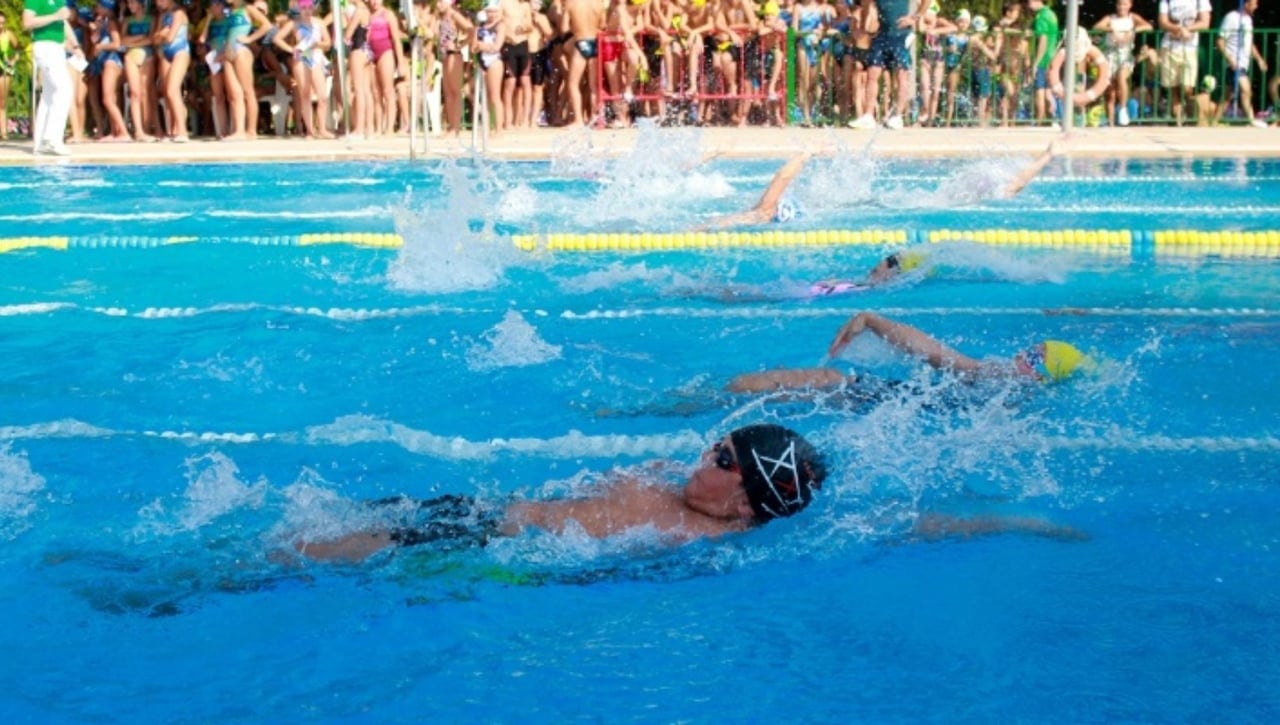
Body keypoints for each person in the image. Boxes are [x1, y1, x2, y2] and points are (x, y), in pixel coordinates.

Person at [293, 424, 829, 562]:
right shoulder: (686, 500)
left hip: (483, 542)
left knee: (302, 552)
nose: (705, 457)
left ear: (742, 503)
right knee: (326, 516)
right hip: (482, 512)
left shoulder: (690, 538)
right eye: (716, 445)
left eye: (722, 460)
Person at [706, 138, 1060, 231]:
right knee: (984, 195)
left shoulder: (762, 214)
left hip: (872, 208)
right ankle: (1044, 159)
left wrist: (807, 154)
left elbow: (780, 180)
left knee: (984, 195)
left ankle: (1044, 159)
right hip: (859, 209)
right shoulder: (760, 215)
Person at [726, 310, 1095, 393]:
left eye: (1033, 359)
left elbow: (935, 354)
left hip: (892, 403)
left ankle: (700, 401)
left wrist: (873, 321)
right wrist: (871, 320)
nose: (1019, 359)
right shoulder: (1009, 388)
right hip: (904, 403)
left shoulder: (1000, 381)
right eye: (1027, 351)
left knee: (818, 379)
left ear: (1044, 378)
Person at [23, 0, 75, 155]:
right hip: (45, 47)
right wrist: (54, 16)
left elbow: (64, 23)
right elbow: (27, 22)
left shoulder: (59, 0)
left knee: (50, 95)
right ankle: (52, 139)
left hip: (57, 48)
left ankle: (40, 142)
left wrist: (75, 45)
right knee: (64, 89)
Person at [1156, 0, 1210, 127]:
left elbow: (1205, 22)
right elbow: (1163, 21)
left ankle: (1188, 110)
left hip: (1190, 48)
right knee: (1172, 86)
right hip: (1169, 47)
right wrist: (1178, 29)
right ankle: (1179, 120)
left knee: (1187, 87)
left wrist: (1186, 29)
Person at [1216, 0, 1267, 128]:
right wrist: (1230, 60)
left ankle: (1214, 121)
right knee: (1246, 89)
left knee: (1228, 95)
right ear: (1246, 4)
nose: (1257, 6)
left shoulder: (1248, 20)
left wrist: (1259, 59)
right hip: (1233, 63)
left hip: (1243, 63)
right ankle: (1251, 119)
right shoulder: (1231, 18)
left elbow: (1249, 43)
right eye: (1254, 3)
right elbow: (1220, 41)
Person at [1025, 0, 1058, 126]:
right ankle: (1052, 120)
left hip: (1043, 60)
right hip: (1052, 57)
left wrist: (1035, 63)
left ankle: (1039, 122)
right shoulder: (1051, 13)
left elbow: (1043, 40)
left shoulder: (1041, 16)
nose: (1028, 6)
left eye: (1028, 2)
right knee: (1048, 92)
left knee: (1040, 91)